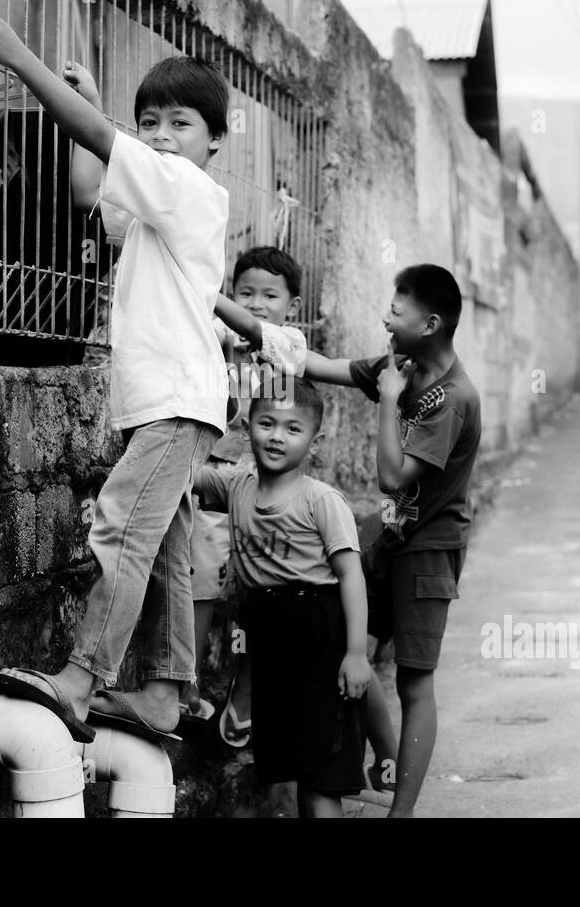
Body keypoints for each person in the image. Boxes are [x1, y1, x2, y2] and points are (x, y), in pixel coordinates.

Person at [0, 12, 232, 742]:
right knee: (167, 556)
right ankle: (164, 693)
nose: (160, 135)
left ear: (214, 140)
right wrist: (96, 99)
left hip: (174, 404)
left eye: (179, 123)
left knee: (119, 533)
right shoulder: (158, 208)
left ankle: (80, 681)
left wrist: (23, 58)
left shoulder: (187, 191)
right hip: (170, 403)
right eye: (150, 122)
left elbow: (99, 141)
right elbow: (92, 190)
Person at [304, 264, 481, 817]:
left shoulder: (451, 398)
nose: (385, 316)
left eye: (397, 311)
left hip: (430, 552)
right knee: (340, 637)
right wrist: (246, 325)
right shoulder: (401, 365)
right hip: (395, 538)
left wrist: (386, 399)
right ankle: (380, 760)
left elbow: (391, 476)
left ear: (429, 324)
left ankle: (400, 814)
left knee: (414, 683)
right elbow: (321, 364)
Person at [193, 380, 372, 817]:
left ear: (315, 441)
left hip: (320, 630)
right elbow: (182, 470)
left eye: (293, 429)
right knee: (288, 759)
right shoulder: (237, 487)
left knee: (321, 771)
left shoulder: (321, 501)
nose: (276, 436)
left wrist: (355, 654)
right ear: (248, 427)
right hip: (268, 635)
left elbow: (352, 576)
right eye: (266, 423)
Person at [186, 246, 309, 743]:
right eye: (246, 293)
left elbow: (271, 360)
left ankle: (245, 696)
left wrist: (232, 324)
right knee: (201, 582)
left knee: (269, 590)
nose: (256, 304)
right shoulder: (216, 336)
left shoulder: (289, 343)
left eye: (270, 295)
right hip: (216, 483)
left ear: (291, 307)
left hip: (268, 489)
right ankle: (186, 687)